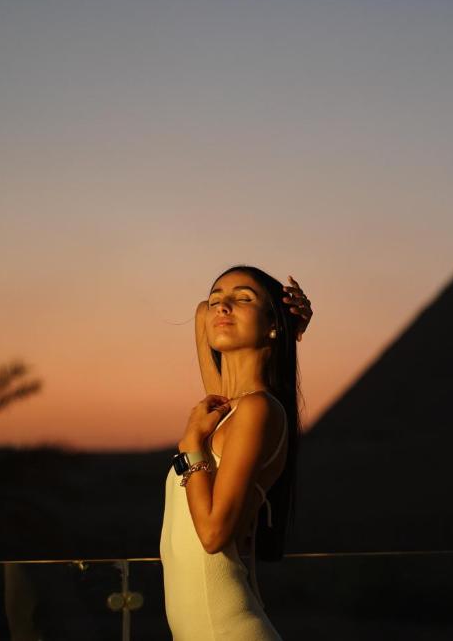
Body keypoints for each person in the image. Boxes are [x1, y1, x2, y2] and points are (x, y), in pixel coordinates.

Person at [160, 266, 312, 640]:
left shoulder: (258, 410)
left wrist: (192, 448)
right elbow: (202, 313)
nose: (222, 307)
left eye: (243, 298)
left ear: (271, 324)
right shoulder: (227, 408)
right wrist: (287, 319)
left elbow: (213, 535)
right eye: (217, 300)